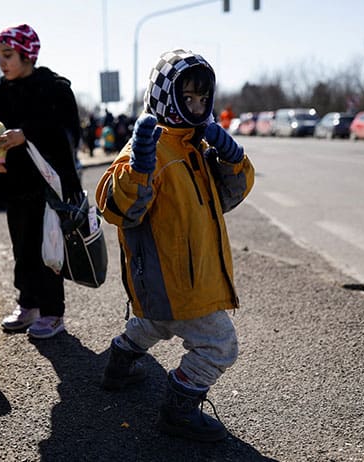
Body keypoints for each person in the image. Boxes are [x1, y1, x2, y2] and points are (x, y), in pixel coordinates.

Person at [95, 49, 255, 441]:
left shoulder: (196, 146)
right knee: (219, 346)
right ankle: (179, 408)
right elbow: (118, 207)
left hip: (181, 276)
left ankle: (120, 363)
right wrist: (140, 169)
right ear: (164, 95)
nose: (198, 107)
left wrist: (232, 158)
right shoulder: (148, 146)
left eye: (204, 99)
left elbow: (228, 197)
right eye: (188, 98)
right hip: (179, 279)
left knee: (155, 322)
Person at [0, 24, 83, 339]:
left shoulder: (54, 88)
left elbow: (68, 134)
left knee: (49, 249)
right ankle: (28, 305)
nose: (2, 63)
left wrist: (27, 134)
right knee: (22, 249)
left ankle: (52, 313)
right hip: (14, 188)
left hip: (49, 189)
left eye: (8, 55)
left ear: (28, 55)